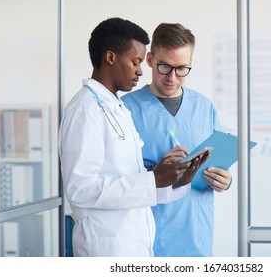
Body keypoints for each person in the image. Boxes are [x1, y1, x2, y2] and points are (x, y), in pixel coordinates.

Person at [58, 18, 208, 257]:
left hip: (133, 245)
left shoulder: (116, 108)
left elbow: (133, 184)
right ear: (110, 58)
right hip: (106, 248)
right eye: (136, 61)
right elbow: (80, 188)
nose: (140, 70)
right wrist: (153, 180)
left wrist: (178, 180)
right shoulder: (85, 110)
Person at [122, 23, 232, 257]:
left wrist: (224, 181)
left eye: (182, 69)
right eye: (165, 67)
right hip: (147, 240)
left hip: (197, 239)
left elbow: (217, 163)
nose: (173, 77)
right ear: (150, 59)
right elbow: (114, 180)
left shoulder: (205, 108)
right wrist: (156, 172)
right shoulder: (126, 110)